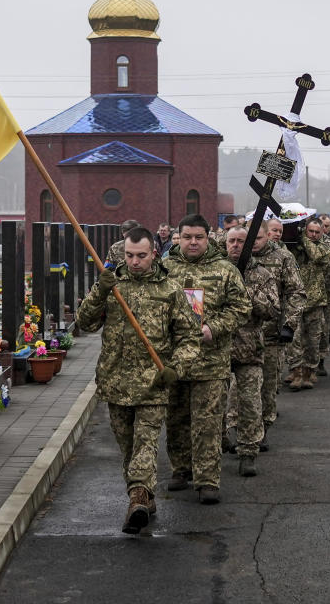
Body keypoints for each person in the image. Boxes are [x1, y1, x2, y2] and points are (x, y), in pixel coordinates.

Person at [76, 226, 201, 533]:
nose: (134, 262)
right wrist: (99, 291)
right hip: (116, 382)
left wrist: (176, 368)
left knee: (146, 444)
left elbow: (191, 336)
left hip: (152, 384)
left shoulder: (173, 288)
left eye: (141, 256)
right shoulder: (111, 284)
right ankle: (143, 494)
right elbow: (85, 323)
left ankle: (137, 501)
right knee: (129, 449)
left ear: (153, 254)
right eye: (129, 256)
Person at [164, 214, 250, 504]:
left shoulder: (224, 270)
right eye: (187, 237)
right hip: (174, 360)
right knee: (176, 419)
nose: (193, 242)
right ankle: (180, 469)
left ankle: (207, 479)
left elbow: (241, 308)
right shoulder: (165, 268)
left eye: (198, 237)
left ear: (208, 237)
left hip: (210, 361)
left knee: (208, 422)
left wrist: (214, 327)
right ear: (179, 237)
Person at [223, 225, 280, 476]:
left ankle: (248, 452)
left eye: (240, 241)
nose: (236, 245)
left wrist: (246, 295)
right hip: (218, 349)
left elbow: (272, 310)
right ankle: (219, 442)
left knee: (250, 404)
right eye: (231, 241)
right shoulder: (216, 272)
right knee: (213, 404)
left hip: (249, 349)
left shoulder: (262, 273)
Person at [248, 219, 305, 447]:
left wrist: (290, 325)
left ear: (267, 236)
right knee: (239, 389)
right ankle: (242, 431)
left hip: (272, 335)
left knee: (267, 386)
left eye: (258, 238)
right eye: (249, 238)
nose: (253, 243)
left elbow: (296, 292)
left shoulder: (283, 257)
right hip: (240, 336)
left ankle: (261, 430)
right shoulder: (235, 257)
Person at [286, 216, 330, 390]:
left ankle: (310, 371)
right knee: (295, 339)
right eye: (310, 231)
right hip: (296, 300)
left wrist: (303, 237)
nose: (314, 235)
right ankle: (296, 372)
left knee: (313, 340)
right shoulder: (297, 247)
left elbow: (317, 256)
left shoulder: (326, 247)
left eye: (317, 232)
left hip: (316, 301)